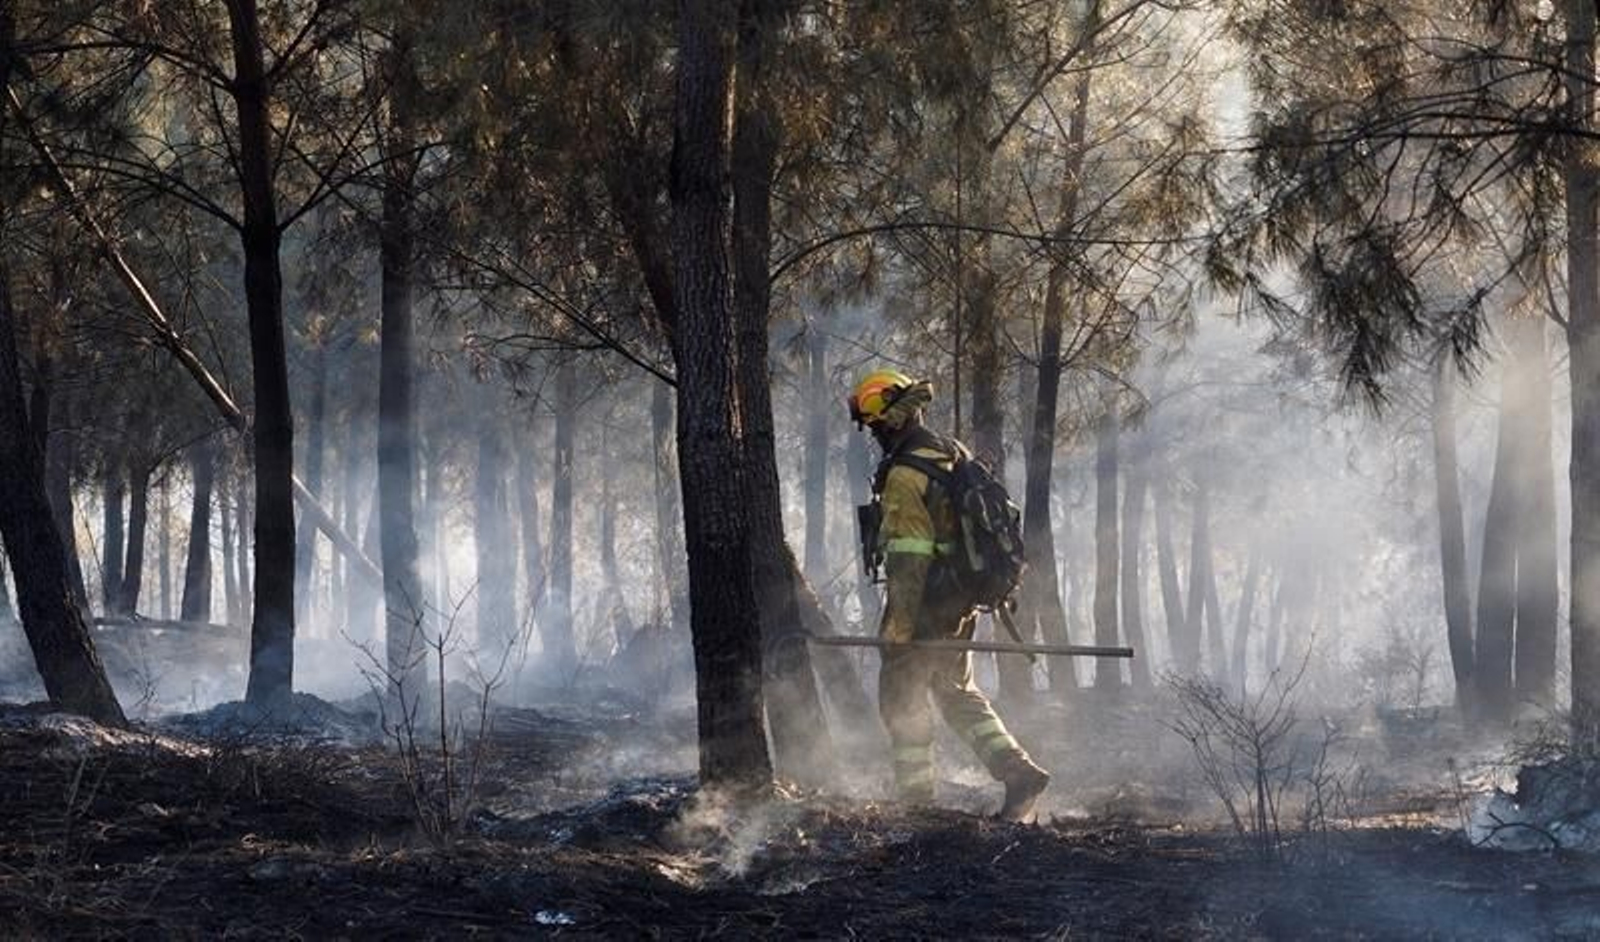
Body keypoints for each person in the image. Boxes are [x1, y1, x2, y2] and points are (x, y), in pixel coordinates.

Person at [848, 368, 1051, 822]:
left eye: (876, 426)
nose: (875, 435)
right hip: (960, 602)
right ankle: (1018, 771)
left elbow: (908, 558)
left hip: (923, 606)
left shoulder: (904, 474)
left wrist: (899, 626)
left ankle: (916, 802)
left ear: (893, 421)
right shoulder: (949, 452)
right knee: (956, 692)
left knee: (901, 700)